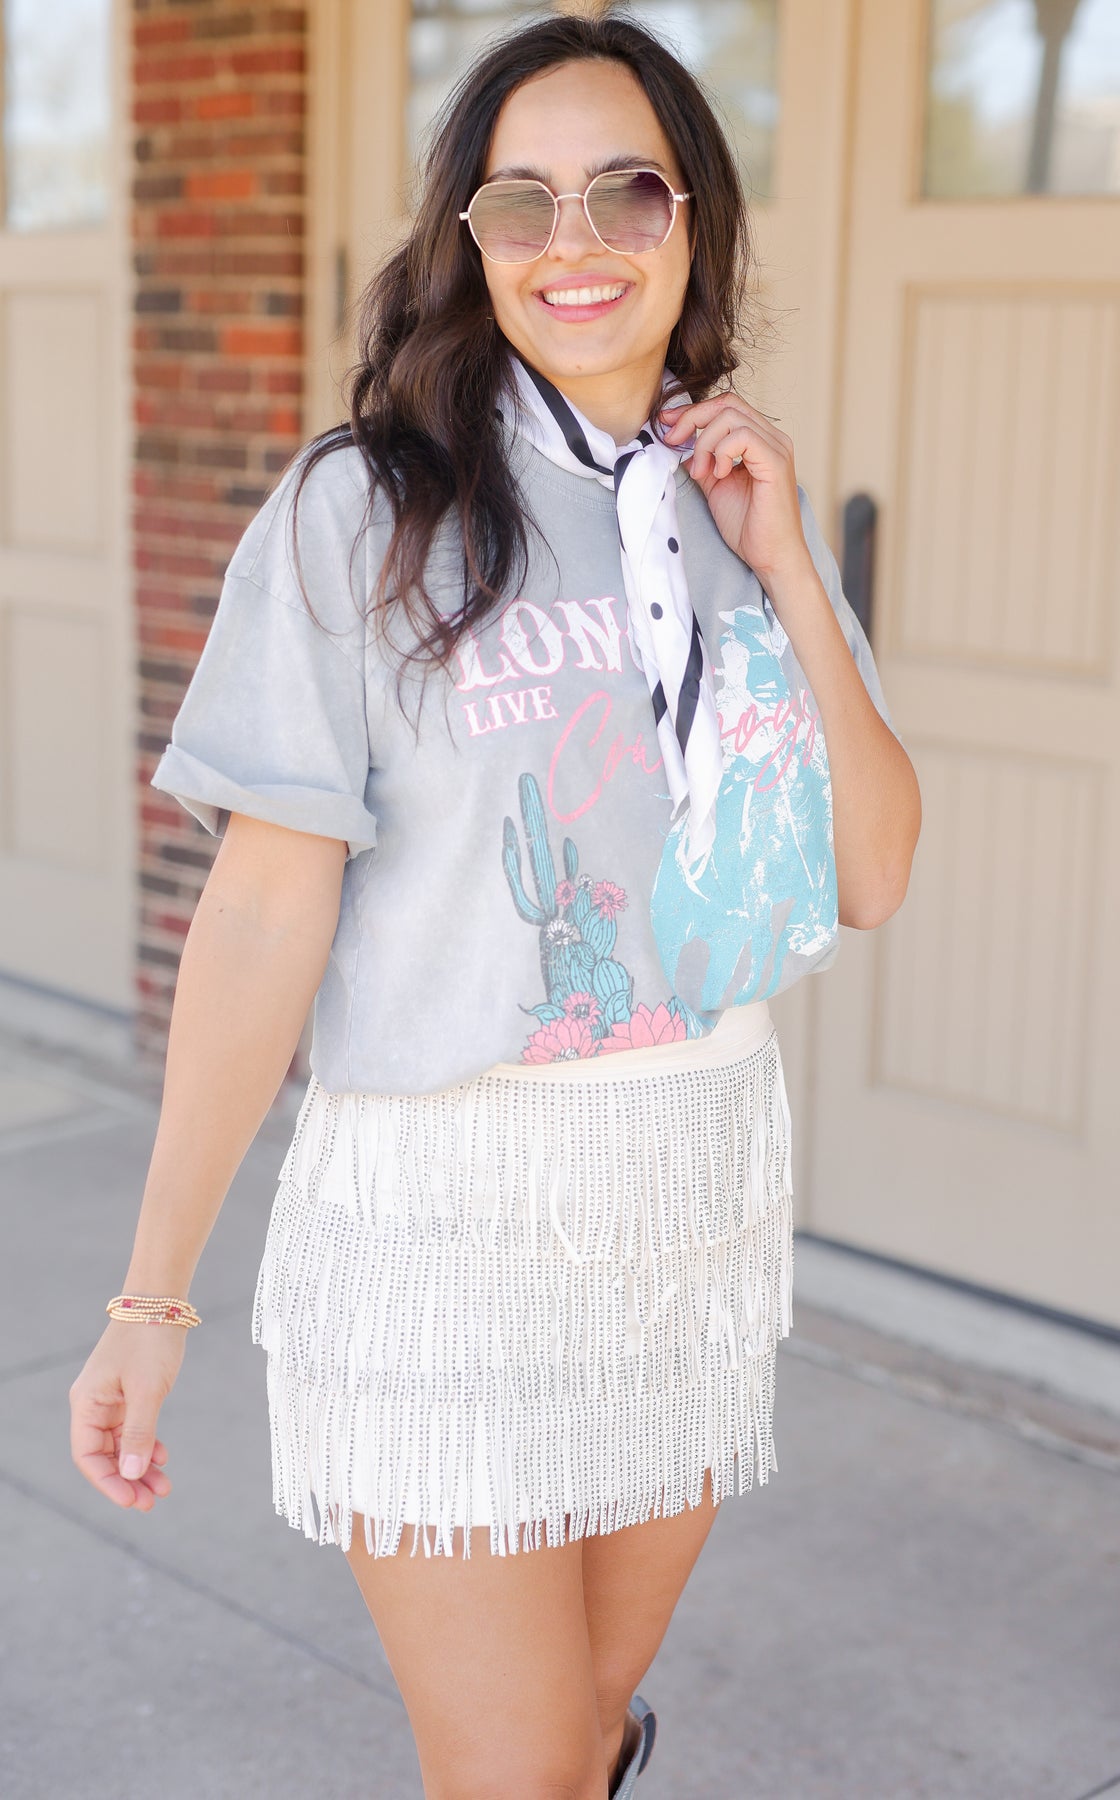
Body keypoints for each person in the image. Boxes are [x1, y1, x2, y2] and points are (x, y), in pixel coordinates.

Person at [68, 13, 920, 1797]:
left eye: (626, 190)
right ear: (467, 240)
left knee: (586, 1737)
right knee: (514, 1777)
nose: (576, 240)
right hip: (445, 1224)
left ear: (696, 228)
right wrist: (151, 1301)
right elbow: (260, 921)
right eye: (522, 203)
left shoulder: (727, 507)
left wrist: (784, 568)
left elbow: (872, 868)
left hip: (686, 1205)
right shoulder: (364, 513)